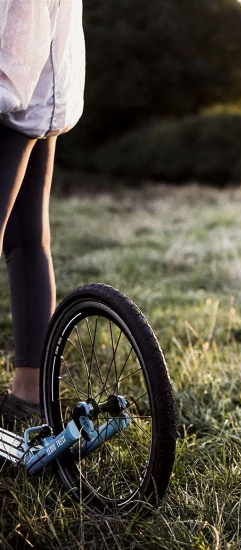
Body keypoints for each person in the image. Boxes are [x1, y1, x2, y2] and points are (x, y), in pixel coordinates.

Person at [0, 0, 85, 428]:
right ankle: (29, 395)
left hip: (12, 86)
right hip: (43, 88)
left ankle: (30, 395)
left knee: (26, 241)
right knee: (27, 241)